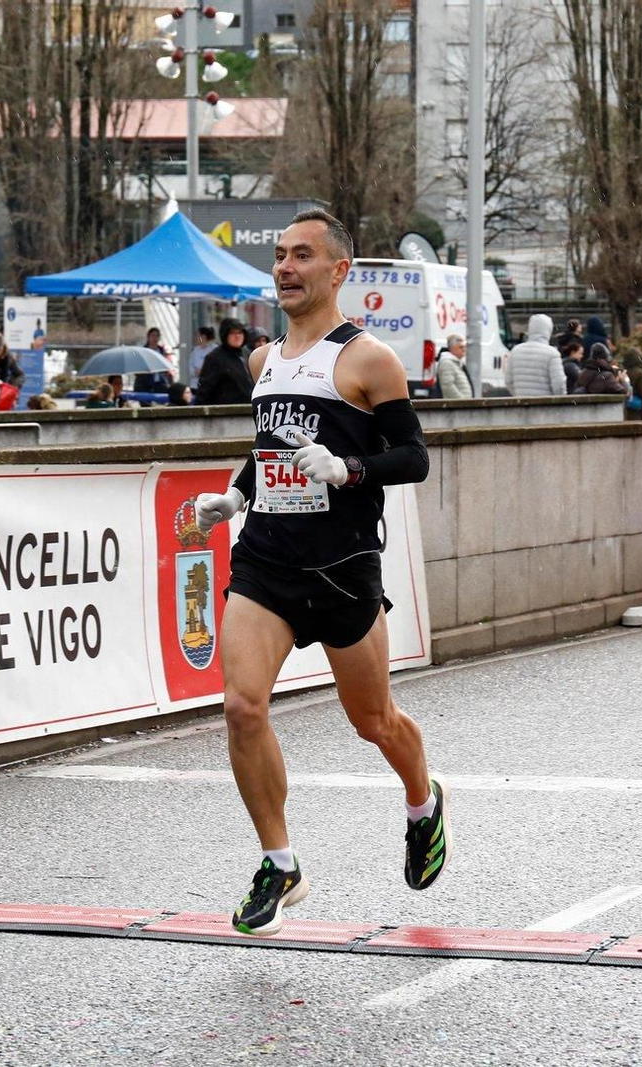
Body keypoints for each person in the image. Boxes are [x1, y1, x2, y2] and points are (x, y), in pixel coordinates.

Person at [191, 209, 443, 936]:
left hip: (342, 566)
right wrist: (236, 493)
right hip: (267, 559)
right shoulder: (264, 359)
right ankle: (280, 860)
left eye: (302, 255)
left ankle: (423, 803)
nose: (285, 268)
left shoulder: (369, 359)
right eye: (278, 255)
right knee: (242, 706)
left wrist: (347, 467)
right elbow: (271, 445)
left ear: (338, 271)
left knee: (373, 721)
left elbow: (414, 456)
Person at [504, 313, 566, 396]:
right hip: (545, 405)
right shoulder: (552, 354)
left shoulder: (515, 351)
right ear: (548, 330)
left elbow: (508, 381)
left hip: (521, 404)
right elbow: (559, 385)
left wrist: (518, 397)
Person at [196, 317, 254, 405]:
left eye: (240, 332)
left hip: (249, 410)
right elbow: (204, 391)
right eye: (232, 333)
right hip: (225, 412)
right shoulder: (214, 358)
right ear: (225, 335)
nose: (237, 336)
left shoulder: (247, 354)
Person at [135, 327, 175, 395]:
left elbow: (168, 367)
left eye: (157, 336)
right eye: (153, 335)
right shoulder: (142, 351)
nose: (155, 338)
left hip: (160, 382)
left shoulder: (162, 351)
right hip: (145, 384)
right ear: (148, 337)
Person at [435, 334, 474, 399]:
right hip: (456, 407)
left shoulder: (457, 363)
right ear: (452, 348)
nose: (464, 349)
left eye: (464, 347)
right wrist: (461, 401)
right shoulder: (447, 363)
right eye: (460, 347)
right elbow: (447, 386)